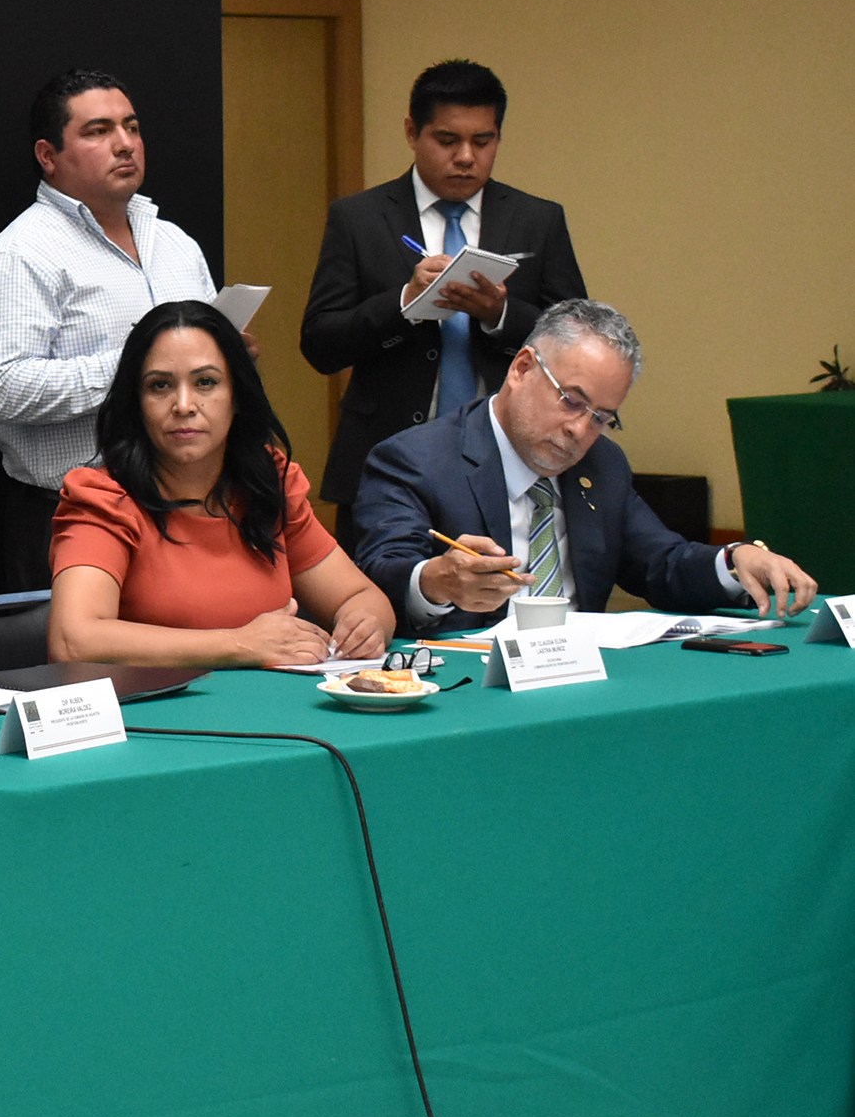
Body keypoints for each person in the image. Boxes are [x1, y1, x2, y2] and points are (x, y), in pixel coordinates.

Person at [353, 299, 815, 634]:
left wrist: (733, 560)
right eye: (572, 402)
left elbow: (661, 563)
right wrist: (435, 582)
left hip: (578, 679)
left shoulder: (602, 464)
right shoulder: (415, 460)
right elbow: (380, 574)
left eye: (601, 418)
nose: (580, 429)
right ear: (522, 369)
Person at [301, 59, 588, 547]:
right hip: (386, 460)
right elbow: (320, 343)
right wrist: (405, 303)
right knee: (382, 588)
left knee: (493, 588)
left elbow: (577, 341)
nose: (466, 157)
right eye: (448, 140)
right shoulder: (360, 218)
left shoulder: (537, 220)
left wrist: (499, 314)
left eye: (483, 141)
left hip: (508, 463)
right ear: (412, 132)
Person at [0, 70, 223, 590]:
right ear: (48, 155)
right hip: (73, 512)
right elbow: (4, 390)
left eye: (132, 127)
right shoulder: (18, 256)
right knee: (87, 647)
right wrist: (139, 367)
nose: (125, 144)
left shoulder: (175, 244)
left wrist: (223, 360)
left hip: (190, 503)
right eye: (99, 131)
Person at [48, 301, 394, 668]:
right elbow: (73, 641)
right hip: (151, 704)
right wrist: (240, 644)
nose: (184, 405)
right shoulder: (105, 499)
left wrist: (364, 624)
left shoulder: (268, 484)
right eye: (160, 385)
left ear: (237, 395)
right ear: (137, 402)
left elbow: (364, 598)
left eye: (205, 383)